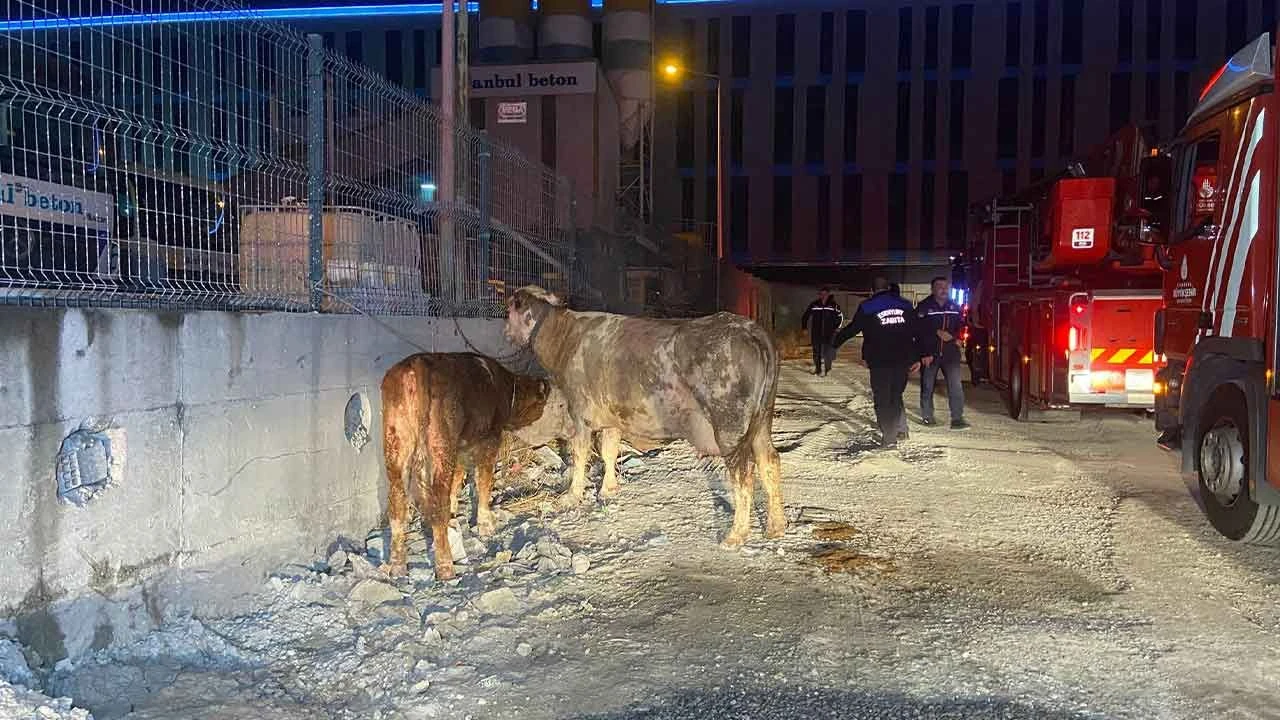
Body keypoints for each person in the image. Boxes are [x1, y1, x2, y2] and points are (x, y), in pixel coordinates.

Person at [833, 276, 922, 447]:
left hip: (879, 361)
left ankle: (889, 436)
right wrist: (916, 356)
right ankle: (896, 430)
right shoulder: (905, 305)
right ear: (888, 288)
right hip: (901, 359)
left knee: (882, 398)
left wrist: (834, 344)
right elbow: (916, 332)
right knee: (895, 397)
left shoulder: (867, 306)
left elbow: (852, 329)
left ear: (872, 290)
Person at [915, 276, 970, 429]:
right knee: (927, 385)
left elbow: (963, 325)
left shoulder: (955, 307)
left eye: (946, 286)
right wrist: (924, 351)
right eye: (940, 286)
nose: (944, 289)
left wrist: (957, 337)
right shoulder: (924, 307)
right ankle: (927, 416)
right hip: (930, 354)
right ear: (932, 289)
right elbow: (917, 331)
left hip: (950, 354)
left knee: (955, 386)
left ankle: (957, 418)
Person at [801, 287, 843, 376]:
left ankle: (828, 370)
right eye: (821, 294)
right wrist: (804, 328)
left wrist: (837, 328)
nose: (823, 296)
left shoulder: (834, 305)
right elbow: (805, 316)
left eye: (825, 294)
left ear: (828, 294)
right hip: (816, 333)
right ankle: (818, 369)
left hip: (829, 333)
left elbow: (840, 317)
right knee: (816, 351)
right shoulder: (814, 305)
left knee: (828, 351)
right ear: (819, 295)